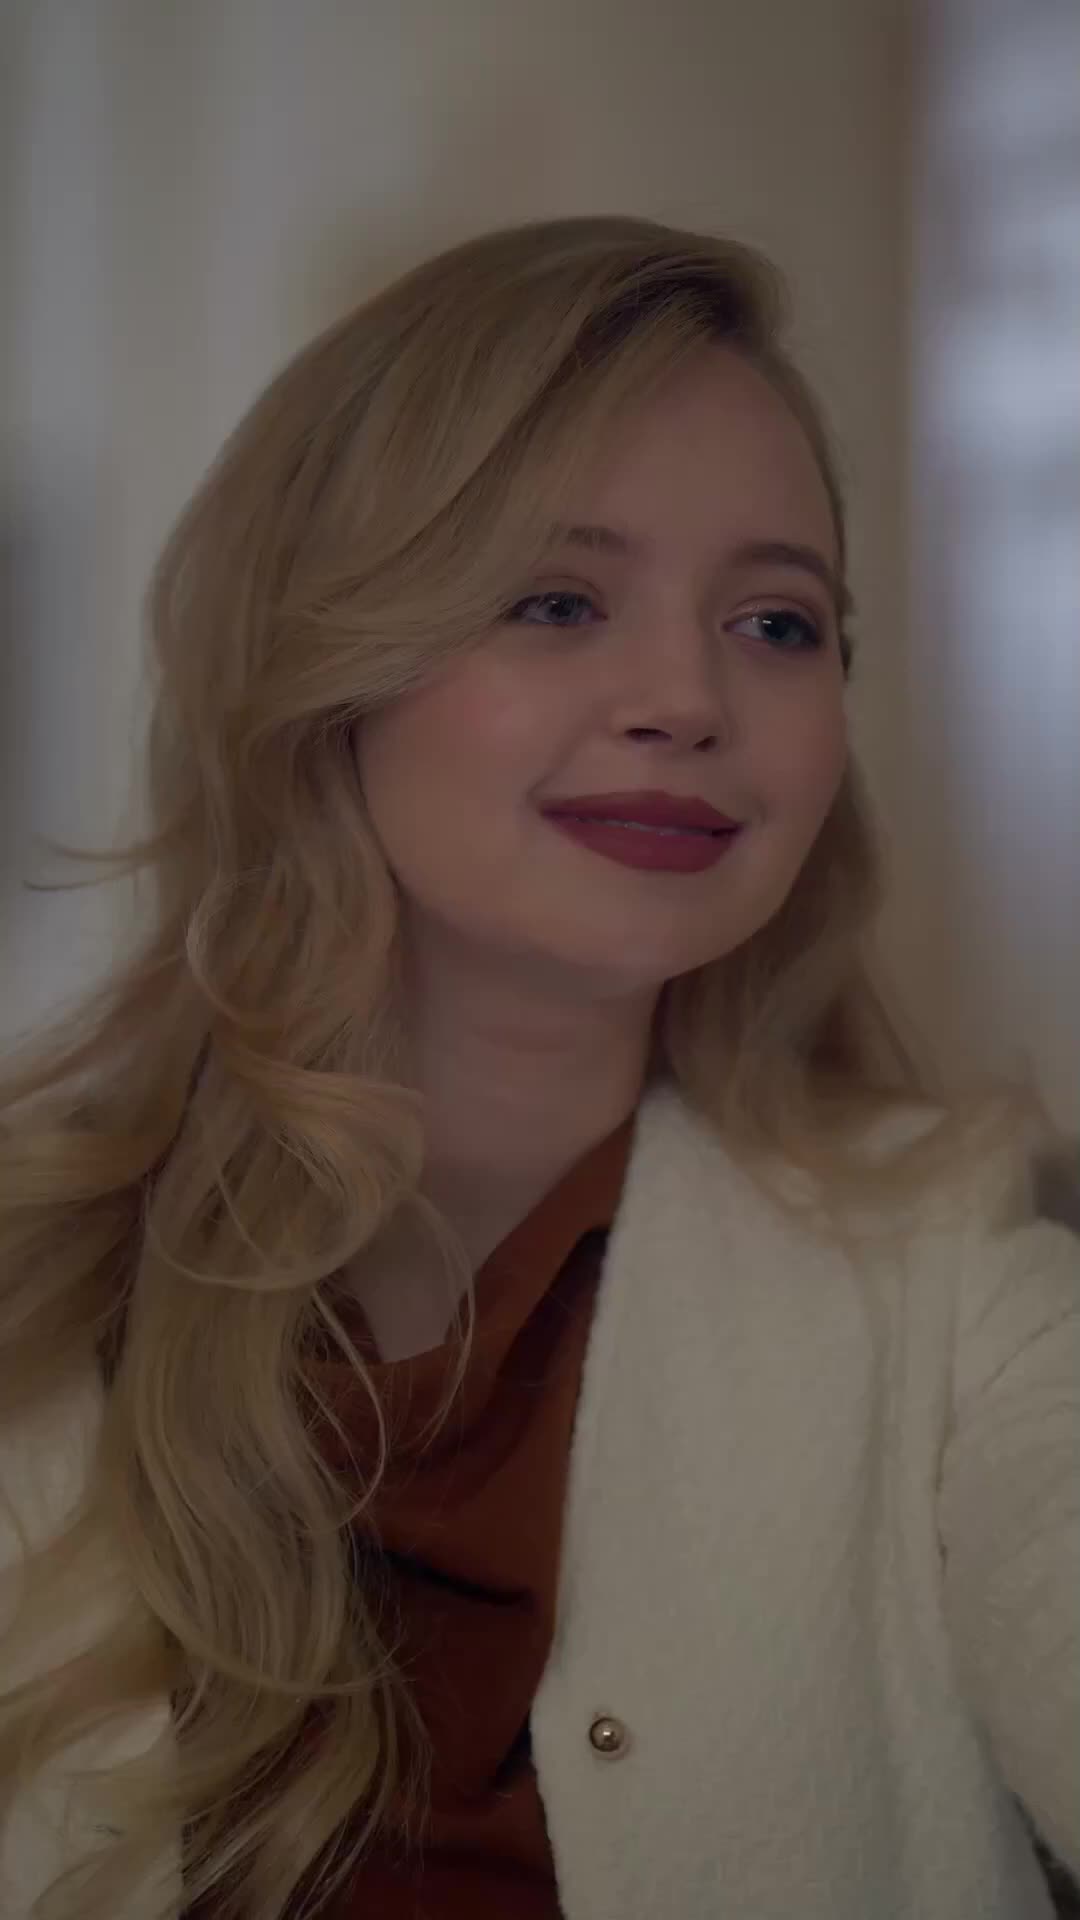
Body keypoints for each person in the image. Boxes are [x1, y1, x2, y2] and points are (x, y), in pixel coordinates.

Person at [0, 213, 1077, 1920]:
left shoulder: (962, 1279)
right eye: (557, 599)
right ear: (325, 669)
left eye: (777, 623)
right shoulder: (36, 1284)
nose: (688, 697)